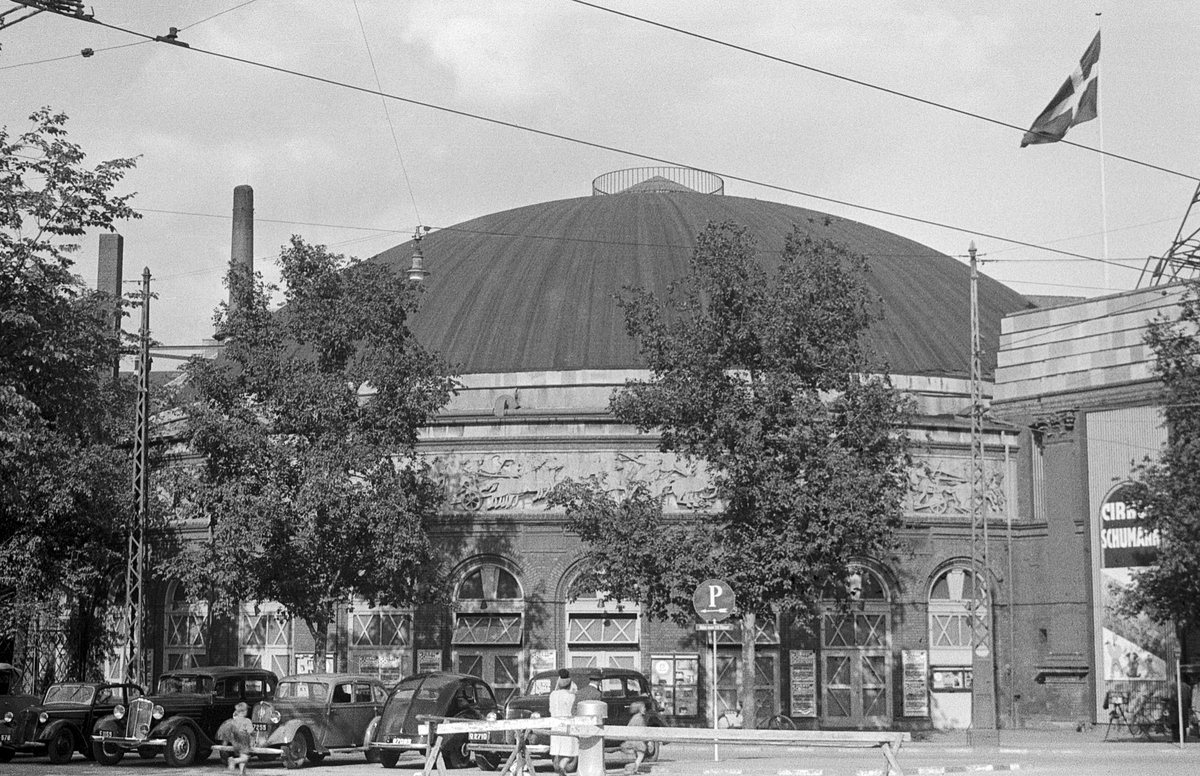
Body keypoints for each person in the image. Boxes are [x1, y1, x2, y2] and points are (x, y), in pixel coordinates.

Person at [549, 674, 578, 776]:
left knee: (557, 749)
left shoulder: (553, 695)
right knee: (572, 750)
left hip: (555, 725)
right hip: (567, 726)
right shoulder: (572, 696)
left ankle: (559, 769)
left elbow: (550, 709)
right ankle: (562, 766)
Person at [216, 701, 254, 773]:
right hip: (244, 741)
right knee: (245, 758)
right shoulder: (247, 721)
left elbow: (227, 733)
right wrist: (252, 742)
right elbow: (250, 732)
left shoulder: (233, 721)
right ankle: (234, 761)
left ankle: (242, 772)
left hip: (235, 742)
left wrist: (225, 743)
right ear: (244, 711)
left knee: (241, 756)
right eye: (246, 710)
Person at [620, 700, 649, 774]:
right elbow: (643, 730)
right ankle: (634, 769)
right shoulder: (640, 718)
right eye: (643, 707)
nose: (645, 709)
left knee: (638, 755)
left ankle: (634, 768)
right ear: (639, 709)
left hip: (632, 739)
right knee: (640, 755)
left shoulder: (634, 718)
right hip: (638, 740)